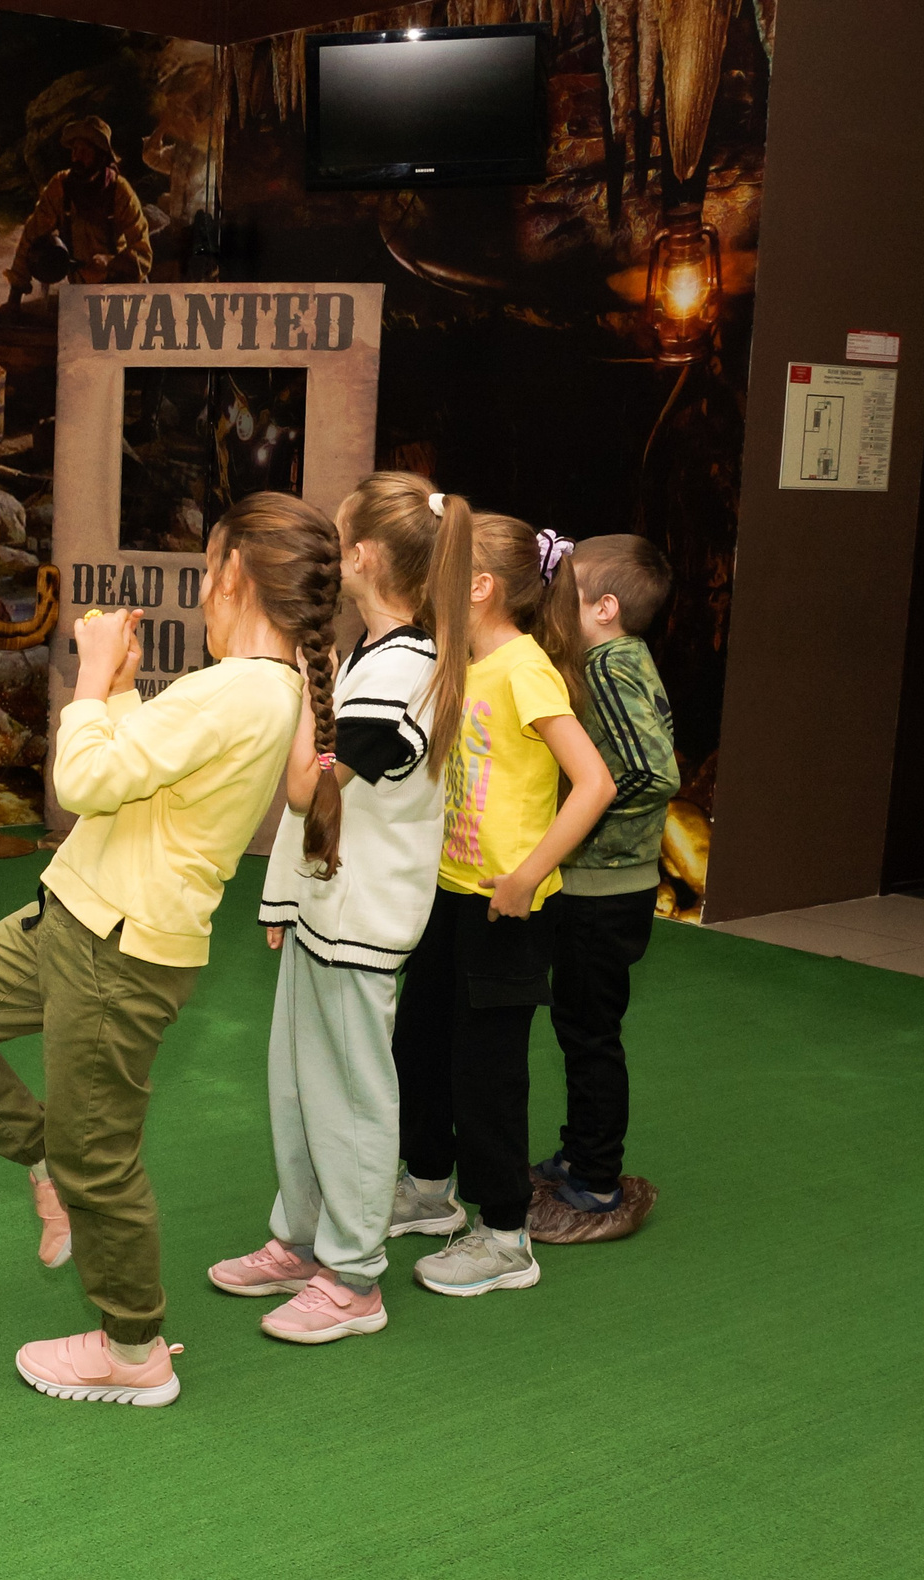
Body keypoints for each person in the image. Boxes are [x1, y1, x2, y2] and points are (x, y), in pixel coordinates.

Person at [0, 493, 344, 1406]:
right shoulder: (251, 687)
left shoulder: (244, 688)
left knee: (101, 1158)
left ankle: (133, 1351)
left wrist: (91, 680)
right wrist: (125, 686)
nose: (204, 588)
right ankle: (43, 1155)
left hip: (121, 947)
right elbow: (141, 772)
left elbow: (85, 779)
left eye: (208, 567)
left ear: (236, 575)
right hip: (75, 913)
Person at [209, 474, 469, 1344]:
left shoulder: (403, 674)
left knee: (351, 1096)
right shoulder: (370, 655)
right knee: (296, 1087)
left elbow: (300, 785)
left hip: (364, 923)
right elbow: (322, 803)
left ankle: (355, 1279)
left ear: (359, 557)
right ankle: (304, 1240)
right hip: (325, 908)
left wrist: (283, 671)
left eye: (340, 533)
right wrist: (283, 895)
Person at [389, 515, 616, 1298]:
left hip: (505, 912)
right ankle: (426, 1189)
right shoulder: (466, 663)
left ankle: (505, 1235)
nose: (427, 586)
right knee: (419, 1047)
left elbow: (595, 784)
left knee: (486, 1073)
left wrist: (525, 876)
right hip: (450, 896)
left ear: (478, 588)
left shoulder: (525, 669)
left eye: (442, 572)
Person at [531, 535, 679, 1242]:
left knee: (590, 1034)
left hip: (606, 886)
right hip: (596, 884)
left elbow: (655, 773)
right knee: (579, 1026)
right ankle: (578, 1152)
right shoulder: (607, 661)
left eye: (569, 586)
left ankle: (595, 1177)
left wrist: (577, 820)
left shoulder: (612, 668)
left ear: (606, 607)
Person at [5, 116, 152, 300]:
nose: (77, 157)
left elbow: (143, 253)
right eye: (75, 150)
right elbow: (31, 235)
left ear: (101, 156)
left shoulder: (120, 192)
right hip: (79, 288)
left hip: (119, 287)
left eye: (85, 151)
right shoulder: (60, 186)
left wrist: (110, 263)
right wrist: (15, 295)